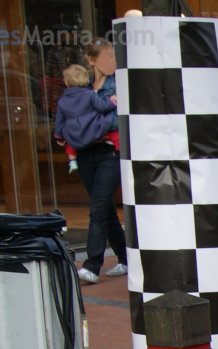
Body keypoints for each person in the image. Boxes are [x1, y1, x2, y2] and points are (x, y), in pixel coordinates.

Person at [56, 62, 128, 284]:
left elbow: (59, 128)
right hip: (87, 155)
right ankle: (126, 258)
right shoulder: (89, 93)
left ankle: (92, 265)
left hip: (107, 154)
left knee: (98, 209)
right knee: (105, 210)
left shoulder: (112, 82)